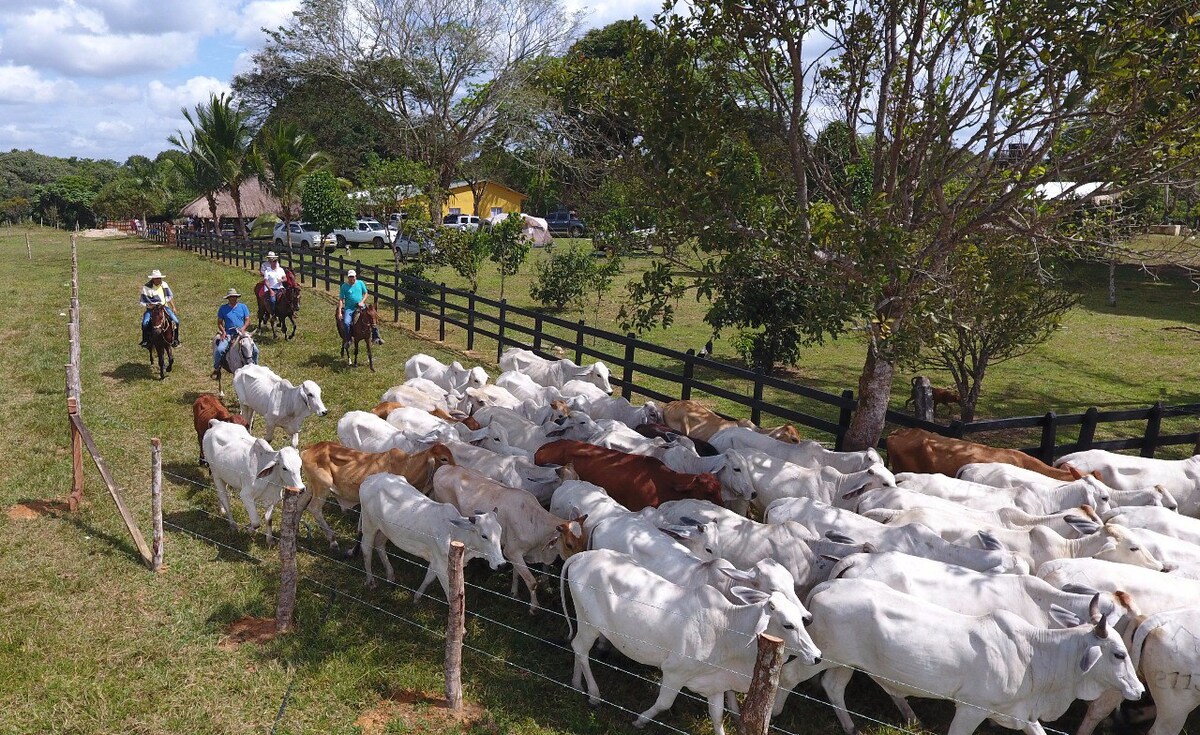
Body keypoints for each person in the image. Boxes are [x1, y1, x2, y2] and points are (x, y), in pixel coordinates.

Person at [211, 287, 254, 379]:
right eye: (231, 297)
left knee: (255, 350)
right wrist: (223, 332)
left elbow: (247, 320)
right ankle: (216, 368)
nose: (233, 298)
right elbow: (219, 323)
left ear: (237, 297)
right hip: (229, 334)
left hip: (242, 333)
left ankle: (255, 367)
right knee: (220, 350)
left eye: (234, 297)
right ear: (228, 298)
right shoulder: (223, 308)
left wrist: (243, 328)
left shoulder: (243, 307)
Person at [140, 269, 180, 347]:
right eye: (157, 278)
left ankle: (175, 339)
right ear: (152, 279)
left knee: (176, 321)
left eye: (159, 278)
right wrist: (151, 306)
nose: (159, 280)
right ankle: (145, 340)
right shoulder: (146, 287)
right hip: (152, 309)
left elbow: (168, 297)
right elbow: (145, 301)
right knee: (145, 323)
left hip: (164, 307)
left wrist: (173, 307)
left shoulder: (164, 285)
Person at [338, 269, 368, 338]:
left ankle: (376, 336)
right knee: (346, 323)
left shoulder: (360, 283)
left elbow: (366, 293)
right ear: (348, 278)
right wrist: (340, 312)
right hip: (349, 308)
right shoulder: (344, 286)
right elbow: (341, 300)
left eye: (353, 277)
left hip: (360, 306)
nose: (352, 279)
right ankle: (348, 339)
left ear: (355, 277)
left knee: (371, 317)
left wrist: (362, 302)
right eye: (350, 277)